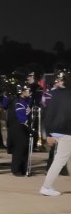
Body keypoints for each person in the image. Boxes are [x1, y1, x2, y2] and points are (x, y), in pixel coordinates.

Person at [40, 64, 71, 196]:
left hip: (56, 130)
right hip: (66, 130)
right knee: (60, 160)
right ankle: (46, 186)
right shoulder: (68, 94)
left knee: (66, 158)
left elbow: (48, 114)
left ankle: (47, 186)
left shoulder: (53, 93)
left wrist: (48, 133)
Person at [5, 75, 33, 176]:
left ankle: (24, 169)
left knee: (24, 149)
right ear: (21, 91)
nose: (29, 91)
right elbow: (22, 118)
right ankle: (16, 169)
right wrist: (30, 128)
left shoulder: (24, 101)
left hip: (22, 128)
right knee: (19, 150)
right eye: (27, 90)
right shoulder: (19, 103)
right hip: (18, 128)